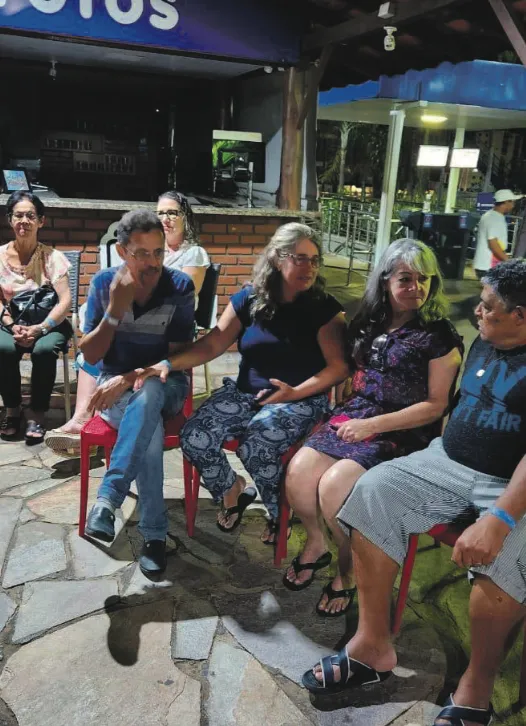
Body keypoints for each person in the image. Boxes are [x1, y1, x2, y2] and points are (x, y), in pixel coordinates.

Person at [302, 259, 526, 726]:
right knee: (372, 492)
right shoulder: (488, 340)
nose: (477, 311)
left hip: (511, 484)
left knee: (505, 556)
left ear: (520, 315)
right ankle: (372, 646)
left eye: (487, 306)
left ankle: (477, 687)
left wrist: (501, 517)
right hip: (448, 461)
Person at [134, 222, 348, 543]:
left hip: (300, 398)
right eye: (300, 258)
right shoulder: (250, 298)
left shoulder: (325, 309)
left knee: (256, 447)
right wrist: (166, 364)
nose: (309, 267)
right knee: (195, 436)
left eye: (315, 260)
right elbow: (212, 344)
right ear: (277, 258)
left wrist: (294, 392)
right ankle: (230, 487)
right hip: (246, 393)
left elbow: (339, 367)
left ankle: (279, 513)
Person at [282, 239, 463, 616]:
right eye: (405, 279)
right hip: (357, 415)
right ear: (385, 281)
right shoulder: (368, 322)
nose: (417, 287)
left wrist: (372, 425)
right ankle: (316, 543)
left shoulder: (438, 334)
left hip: (404, 429)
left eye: (424, 279)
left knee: (334, 487)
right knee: (298, 473)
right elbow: (351, 373)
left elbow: (436, 405)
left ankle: (348, 570)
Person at [44, 190, 209, 456]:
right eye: (161, 212)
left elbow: (188, 294)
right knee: (105, 353)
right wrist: (114, 311)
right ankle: (86, 417)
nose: (166, 218)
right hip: (126, 344)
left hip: (166, 335)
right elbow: (95, 348)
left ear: (185, 217)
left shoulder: (190, 258)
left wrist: (127, 378)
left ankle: (90, 424)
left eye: (173, 212)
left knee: (143, 399)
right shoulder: (118, 269)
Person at [82, 208, 194, 574]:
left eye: (158, 252)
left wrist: (132, 377)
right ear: (121, 251)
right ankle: (155, 535)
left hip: (166, 382)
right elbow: (91, 356)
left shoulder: (179, 286)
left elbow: (177, 358)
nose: (153, 262)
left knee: (150, 390)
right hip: (115, 390)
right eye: (142, 253)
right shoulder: (104, 284)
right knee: (149, 427)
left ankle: (108, 499)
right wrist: (114, 310)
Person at [0, 191, 72, 445]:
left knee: (43, 350)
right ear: (10, 220)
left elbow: (65, 301)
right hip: (10, 322)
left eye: (30, 216)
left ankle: (38, 413)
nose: (24, 221)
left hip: (49, 323)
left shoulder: (52, 258)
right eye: (18, 215)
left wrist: (41, 328)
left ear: (41, 221)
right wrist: (11, 325)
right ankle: (12, 409)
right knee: (3, 347)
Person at [473, 189, 522, 279]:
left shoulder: (490, 215)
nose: (513, 205)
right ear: (506, 202)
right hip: (489, 266)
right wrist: (508, 262)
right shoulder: (495, 219)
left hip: (486, 265)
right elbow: (493, 244)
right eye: (512, 202)